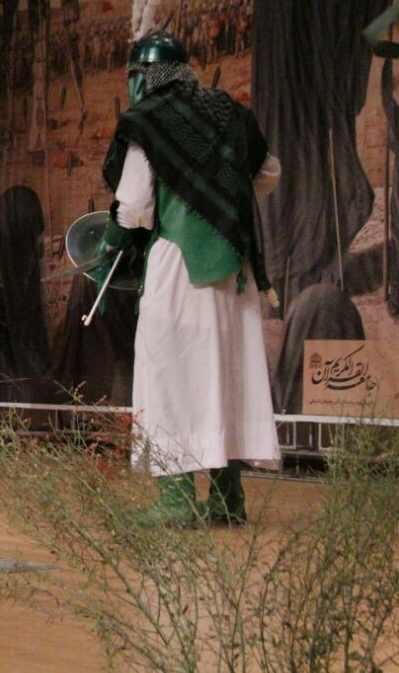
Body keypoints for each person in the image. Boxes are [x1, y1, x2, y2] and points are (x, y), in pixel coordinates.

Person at [101, 29, 281, 525]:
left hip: (179, 269)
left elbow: (134, 207)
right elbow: (269, 173)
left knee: (171, 377)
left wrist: (111, 239)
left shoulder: (149, 120)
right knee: (227, 377)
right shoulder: (230, 113)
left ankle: (176, 500)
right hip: (236, 272)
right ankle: (227, 499)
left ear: (143, 76)